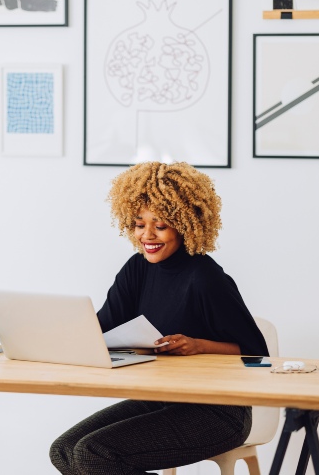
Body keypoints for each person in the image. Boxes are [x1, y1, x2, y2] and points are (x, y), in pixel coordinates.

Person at [49, 161, 269, 475]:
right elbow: (99, 330)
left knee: (93, 454)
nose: (147, 235)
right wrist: (48, 335)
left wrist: (199, 345)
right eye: (139, 224)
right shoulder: (138, 269)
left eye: (161, 225)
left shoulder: (206, 278)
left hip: (219, 412)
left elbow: (259, 358)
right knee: (64, 451)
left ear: (186, 223)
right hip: (162, 401)